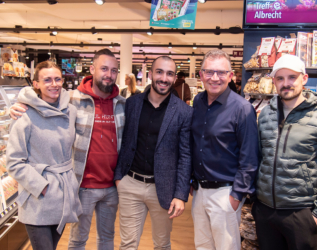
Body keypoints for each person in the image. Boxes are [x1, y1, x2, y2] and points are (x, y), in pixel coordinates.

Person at [9, 49, 125, 250]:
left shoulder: (122, 104)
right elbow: (42, 99)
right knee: (78, 240)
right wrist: (18, 103)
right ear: (92, 69)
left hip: (111, 186)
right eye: (104, 68)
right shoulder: (73, 100)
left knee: (107, 238)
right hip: (81, 185)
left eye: (114, 70)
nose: (109, 74)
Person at [253, 55, 317, 250]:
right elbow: (260, 158)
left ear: (304, 79)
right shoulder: (266, 115)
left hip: (301, 213)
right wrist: (256, 203)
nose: (286, 84)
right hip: (265, 210)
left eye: (292, 77)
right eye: (280, 78)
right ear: (274, 81)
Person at [114, 56, 193, 250]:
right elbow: (123, 141)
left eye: (169, 74)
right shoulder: (131, 104)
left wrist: (181, 194)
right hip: (130, 184)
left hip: (163, 187)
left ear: (175, 78)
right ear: (150, 74)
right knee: (128, 244)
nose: (164, 78)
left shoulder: (183, 112)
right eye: (159, 72)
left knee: (162, 244)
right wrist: (119, 178)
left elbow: (185, 156)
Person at [6, 61, 82, 250]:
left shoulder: (71, 111)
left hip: (63, 194)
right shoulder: (24, 114)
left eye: (57, 79)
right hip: (38, 196)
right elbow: (14, 162)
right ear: (36, 84)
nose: (54, 84)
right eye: (47, 80)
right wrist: (42, 186)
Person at [191, 49, 259, 250]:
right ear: (201, 75)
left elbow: (250, 156)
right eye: (209, 72)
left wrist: (237, 195)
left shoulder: (242, 108)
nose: (214, 78)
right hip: (199, 191)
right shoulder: (198, 102)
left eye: (221, 73)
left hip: (225, 193)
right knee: (202, 245)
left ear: (231, 76)